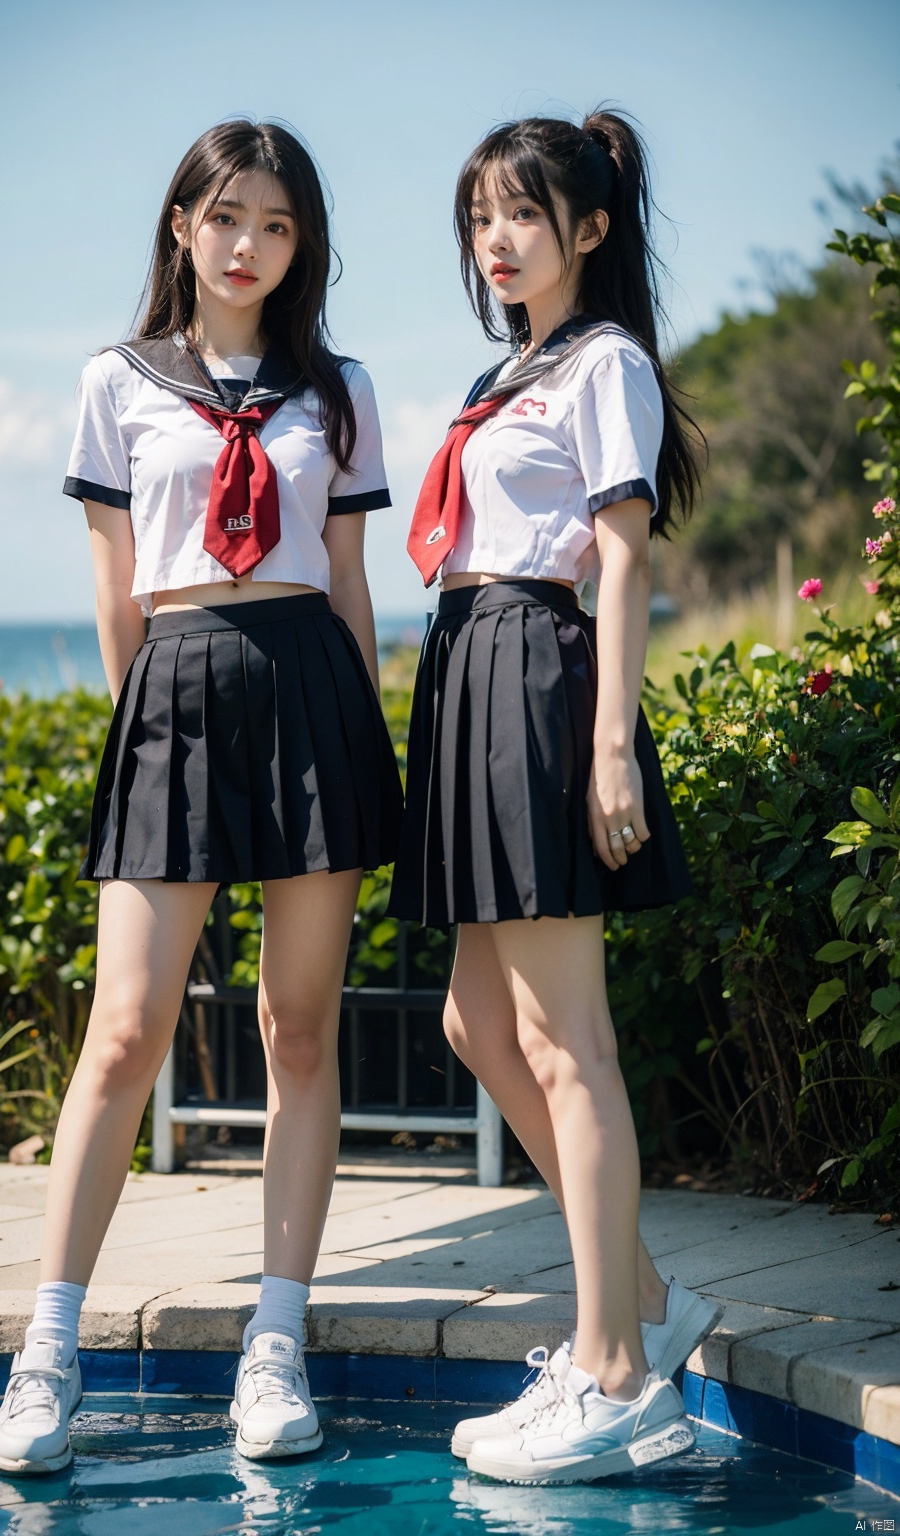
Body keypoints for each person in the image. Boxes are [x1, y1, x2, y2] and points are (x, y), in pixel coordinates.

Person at [0, 119, 402, 1475]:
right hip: (172, 687)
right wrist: (140, 725)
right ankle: (45, 1355)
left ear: (302, 246)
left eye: (276, 226)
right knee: (126, 1029)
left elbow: (347, 582)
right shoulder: (116, 382)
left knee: (296, 1033)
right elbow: (117, 587)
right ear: (181, 225)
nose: (248, 246)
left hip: (310, 690)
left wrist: (369, 735)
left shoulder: (336, 389)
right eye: (227, 218)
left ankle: (274, 1346)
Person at [388, 109, 719, 1484]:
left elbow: (624, 558)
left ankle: (618, 1371)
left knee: (565, 1034)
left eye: (522, 213)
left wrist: (610, 740)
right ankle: (636, 1300)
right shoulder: (508, 370)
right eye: (481, 218)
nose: (497, 239)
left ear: (588, 228)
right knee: (479, 1020)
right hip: (466, 666)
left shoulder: (606, 366)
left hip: (537, 664)